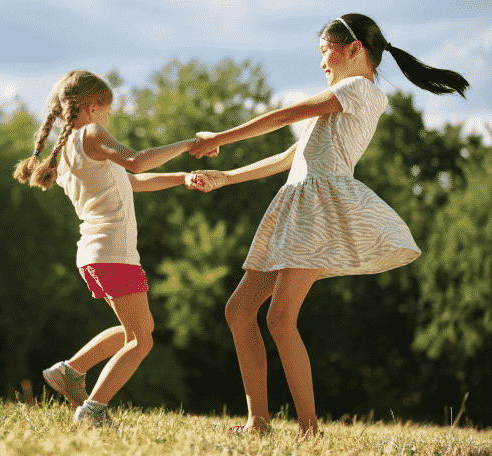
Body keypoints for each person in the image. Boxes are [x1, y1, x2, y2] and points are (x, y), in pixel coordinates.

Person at [187, 13, 469, 439]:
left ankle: (309, 430)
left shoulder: (359, 89)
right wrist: (227, 176)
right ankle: (259, 423)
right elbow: (291, 156)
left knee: (280, 319)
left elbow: (286, 115)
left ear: (355, 49)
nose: (322, 62)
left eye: (326, 51)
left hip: (317, 209)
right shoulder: (346, 92)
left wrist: (218, 139)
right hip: (296, 203)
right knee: (240, 311)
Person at [14, 70, 204, 427]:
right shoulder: (91, 133)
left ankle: (71, 372)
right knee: (141, 340)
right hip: (112, 252)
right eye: (107, 108)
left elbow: (131, 181)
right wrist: (187, 145)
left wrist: (181, 179)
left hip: (95, 254)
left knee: (138, 327)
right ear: (90, 106)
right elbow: (136, 161)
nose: (109, 116)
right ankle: (93, 410)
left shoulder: (69, 149)